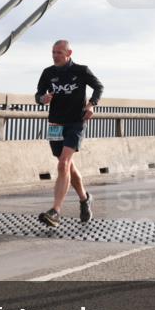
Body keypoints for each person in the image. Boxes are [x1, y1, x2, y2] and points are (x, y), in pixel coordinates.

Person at [35, 40, 103, 227]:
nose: (55, 56)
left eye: (59, 52)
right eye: (53, 52)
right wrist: (42, 98)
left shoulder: (81, 71)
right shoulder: (48, 73)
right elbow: (38, 95)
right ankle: (85, 198)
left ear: (69, 53)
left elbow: (99, 87)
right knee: (66, 166)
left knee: (64, 163)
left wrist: (91, 105)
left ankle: (55, 211)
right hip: (55, 124)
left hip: (75, 122)